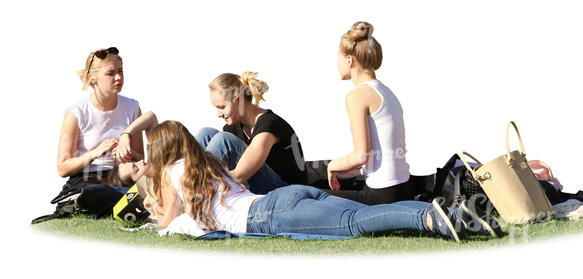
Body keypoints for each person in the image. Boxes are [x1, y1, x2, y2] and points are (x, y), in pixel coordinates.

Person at [139, 120, 503, 242]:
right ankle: (455, 212)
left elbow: (170, 221)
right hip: (285, 195)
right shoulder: (208, 161)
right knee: (363, 213)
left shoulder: (172, 172)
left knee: (355, 223)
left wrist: (156, 209)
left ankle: (439, 219)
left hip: (265, 215)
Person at [323, 21, 413, 205]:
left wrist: (332, 165)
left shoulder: (357, 95)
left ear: (349, 60)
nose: (336, 63)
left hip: (382, 195)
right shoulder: (386, 92)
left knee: (309, 195)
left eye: (338, 57)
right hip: (403, 187)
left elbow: (361, 155)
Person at [194, 72, 308, 194]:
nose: (218, 114)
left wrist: (211, 183)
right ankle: (184, 180)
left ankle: (193, 189)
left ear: (238, 100)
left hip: (289, 191)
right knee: (206, 133)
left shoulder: (269, 124)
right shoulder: (233, 127)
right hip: (262, 185)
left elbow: (239, 176)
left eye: (221, 107)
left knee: (224, 140)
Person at [56, 47, 143, 185]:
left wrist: (128, 153)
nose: (119, 77)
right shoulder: (76, 112)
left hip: (122, 178)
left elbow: (141, 159)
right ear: (92, 78)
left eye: (120, 71)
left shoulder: (132, 107)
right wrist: (96, 152)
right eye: (111, 73)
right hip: (88, 179)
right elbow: (62, 168)